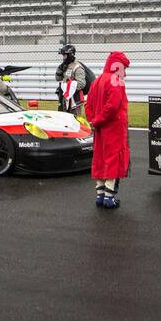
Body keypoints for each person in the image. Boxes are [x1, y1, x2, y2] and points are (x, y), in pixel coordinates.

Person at [85, 50, 131, 209]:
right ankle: (109, 197)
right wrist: (98, 120)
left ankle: (100, 195)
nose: (124, 71)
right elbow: (113, 106)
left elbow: (88, 105)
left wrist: (93, 121)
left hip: (100, 128)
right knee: (113, 159)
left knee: (100, 159)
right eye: (124, 67)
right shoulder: (116, 80)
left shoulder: (97, 81)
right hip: (114, 127)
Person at [55, 44, 93, 118]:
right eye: (63, 55)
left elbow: (82, 83)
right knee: (62, 118)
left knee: (75, 119)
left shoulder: (77, 67)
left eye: (64, 55)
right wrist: (59, 71)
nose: (63, 58)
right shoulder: (65, 65)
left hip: (75, 99)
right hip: (65, 97)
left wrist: (70, 87)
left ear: (70, 55)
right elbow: (58, 79)